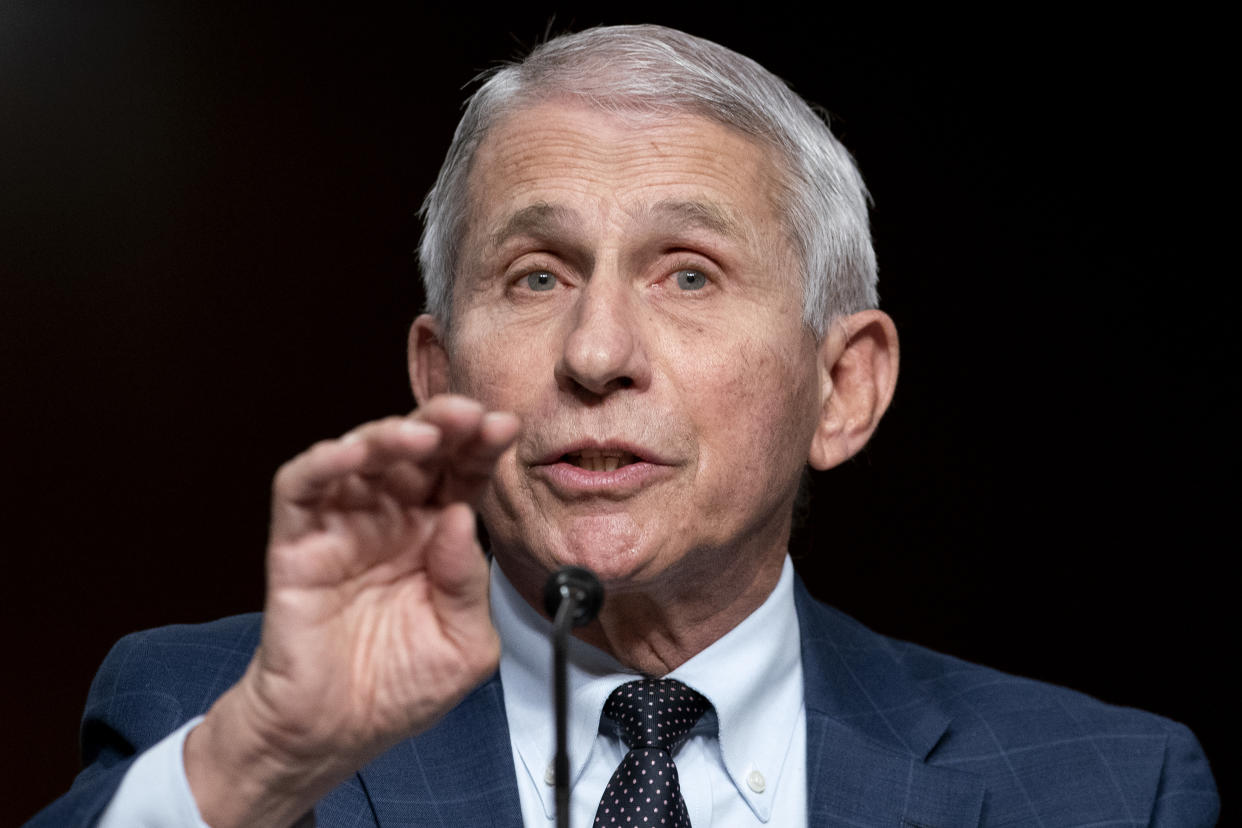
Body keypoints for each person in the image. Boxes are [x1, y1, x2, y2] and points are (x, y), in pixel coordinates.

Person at [29, 24, 1218, 828]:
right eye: (537, 277)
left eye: (688, 275)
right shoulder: (208, 719)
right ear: (442, 385)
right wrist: (255, 766)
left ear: (844, 387)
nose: (597, 356)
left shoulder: (1111, 789)